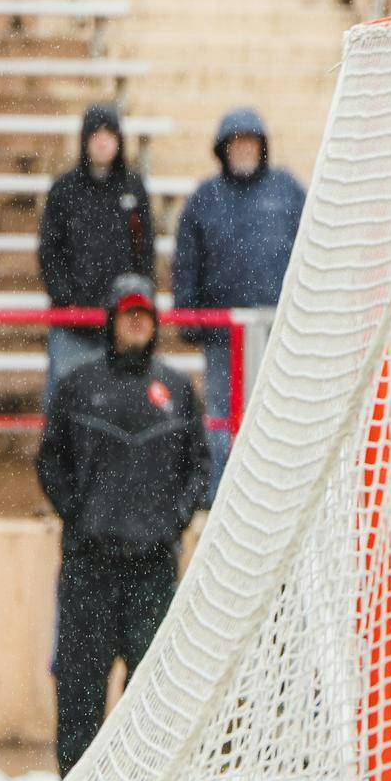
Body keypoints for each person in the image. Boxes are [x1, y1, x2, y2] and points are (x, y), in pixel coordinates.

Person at [35, 276, 209, 776]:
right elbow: (50, 461)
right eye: (129, 314)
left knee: (149, 696)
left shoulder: (177, 389)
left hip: (151, 568)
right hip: (89, 566)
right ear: (112, 319)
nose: (136, 323)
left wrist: (171, 523)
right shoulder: (78, 386)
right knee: (79, 688)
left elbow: (198, 468)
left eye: (144, 315)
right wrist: (79, 514)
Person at [171, 107, 307, 501]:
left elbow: (312, 248)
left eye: (250, 142)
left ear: (262, 147)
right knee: (221, 419)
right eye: (236, 143)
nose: (243, 150)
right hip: (223, 335)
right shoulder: (205, 199)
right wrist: (188, 314)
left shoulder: (287, 191)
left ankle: (278, 499)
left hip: (277, 333)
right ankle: (221, 500)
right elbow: (186, 261)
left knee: (278, 416)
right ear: (223, 149)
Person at [38, 104, 156, 394]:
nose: (102, 142)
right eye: (96, 134)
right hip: (73, 324)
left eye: (109, 134)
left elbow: (145, 250)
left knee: (125, 400)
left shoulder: (133, 187)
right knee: (68, 399)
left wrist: (139, 299)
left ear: (119, 140)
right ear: (85, 139)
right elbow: (49, 250)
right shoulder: (64, 190)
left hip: (123, 320)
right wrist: (65, 299)